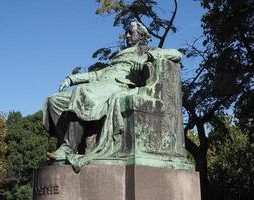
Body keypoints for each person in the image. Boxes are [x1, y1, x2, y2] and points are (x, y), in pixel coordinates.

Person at [43, 22, 182, 170]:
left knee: (82, 91)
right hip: (100, 86)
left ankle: (67, 148)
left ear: (142, 36)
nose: (127, 35)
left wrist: (148, 56)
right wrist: (71, 79)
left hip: (117, 87)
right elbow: (97, 74)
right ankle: (74, 144)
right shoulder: (119, 56)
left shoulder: (146, 51)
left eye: (131, 32)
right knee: (54, 100)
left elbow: (177, 54)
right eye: (127, 33)